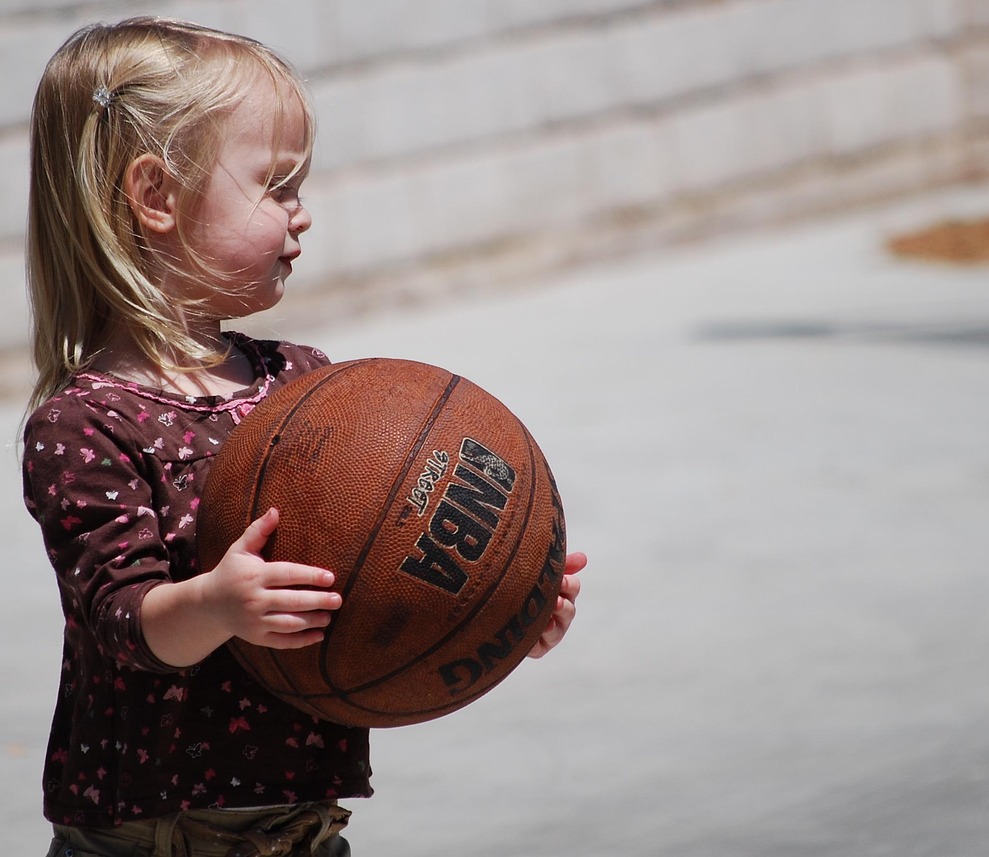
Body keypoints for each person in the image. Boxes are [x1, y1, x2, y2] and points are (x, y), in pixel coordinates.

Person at [21, 17, 586, 857]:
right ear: (157, 197)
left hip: (298, 826)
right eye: (277, 185)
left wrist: (496, 599)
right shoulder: (85, 422)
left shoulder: (302, 383)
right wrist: (218, 602)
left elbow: (369, 579)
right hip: (153, 831)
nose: (303, 213)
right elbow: (123, 620)